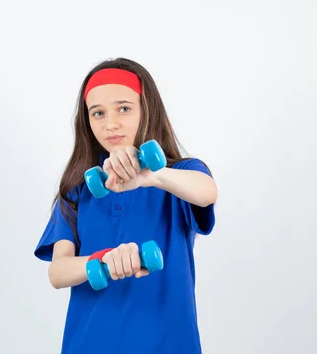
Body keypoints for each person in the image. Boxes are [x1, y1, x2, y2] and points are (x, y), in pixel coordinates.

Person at [34, 57, 218, 353]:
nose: (111, 124)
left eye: (124, 108)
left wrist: (152, 176)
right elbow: (58, 272)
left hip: (168, 344)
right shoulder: (78, 189)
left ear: (147, 109)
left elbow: (207, 192)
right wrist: (104, 260)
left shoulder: (178, 174)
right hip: (89, 343)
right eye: (98, 113)